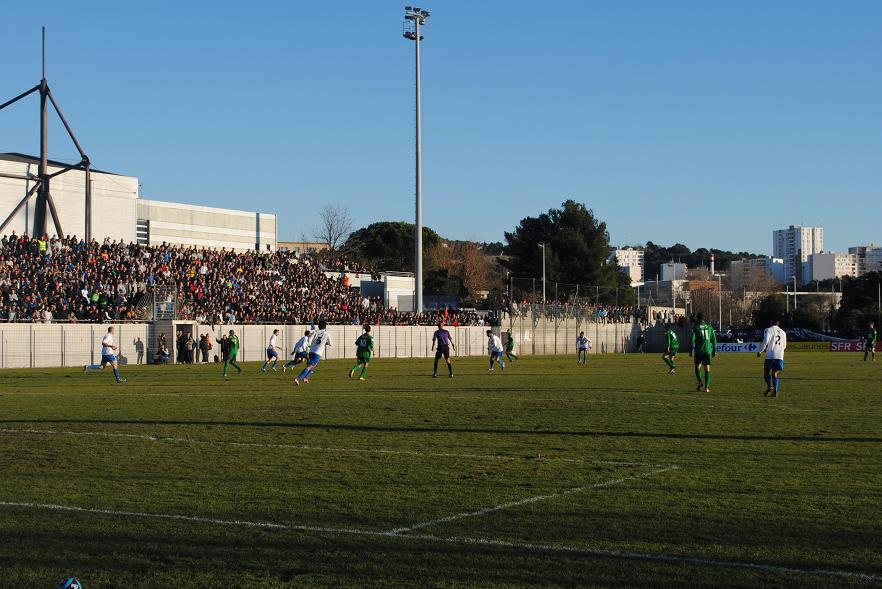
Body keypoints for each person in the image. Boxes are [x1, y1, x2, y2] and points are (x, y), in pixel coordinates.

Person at [294, 320, 331, 386]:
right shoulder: (327, 334)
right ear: (325, 327)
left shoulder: (315, 331)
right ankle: (298, 378)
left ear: (318, 326)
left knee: (313, 365)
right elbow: (331, 344)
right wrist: (325, 343)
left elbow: (309, 340)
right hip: (318, 353)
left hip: (311, 352)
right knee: (309, 367)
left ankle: (306, 378)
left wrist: (310, 345)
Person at [757, 317, 787, 399]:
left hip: (770, 356)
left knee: (766, 371)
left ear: (772, 322)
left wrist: (760, 351)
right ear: (778, 323)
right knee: (775, 373)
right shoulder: (783, 332)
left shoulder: (768, 330)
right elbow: (784, 346)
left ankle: (769, 386)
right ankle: (775, 391)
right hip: (780, 356)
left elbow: (766, 340)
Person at [689, 313, 717, 393]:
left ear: (697, 318)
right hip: (707, 351)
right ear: (704, 318)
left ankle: (700, 381)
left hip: (698, 351)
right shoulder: (709, 327)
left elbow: (691, 341)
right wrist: (714, 351)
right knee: (707, 369)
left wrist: (690, 351)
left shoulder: (695, 328)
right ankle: (706, 388)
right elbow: (714, 340)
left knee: (697, 367)